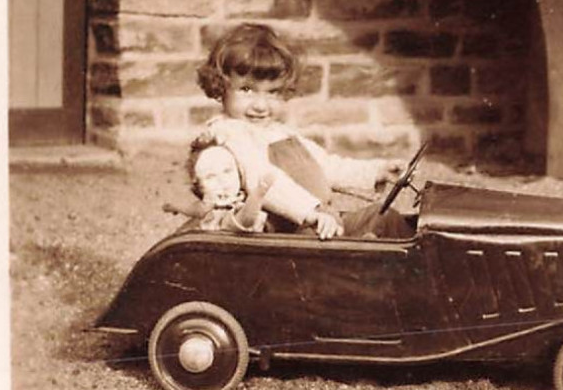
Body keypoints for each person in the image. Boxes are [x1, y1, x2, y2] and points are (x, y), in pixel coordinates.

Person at [196, 23, 412, 240]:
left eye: (273, 92)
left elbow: (326, 165)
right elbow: (263, 180)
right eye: (247, 89)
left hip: (318, 222)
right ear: (221, 87)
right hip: (284, 234)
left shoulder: (277, 132)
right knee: (363, 245)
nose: (261, 105)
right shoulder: (229, 135)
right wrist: (309, 212)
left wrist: (376, 171)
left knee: (385, 218)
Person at [163, 135, 273, 233]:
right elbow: (191, 209)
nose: (222, 180)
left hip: (245, 243)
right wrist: (174, 207)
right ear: (199, 186)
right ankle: (256, 197)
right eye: (211, 176)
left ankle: (255, 200)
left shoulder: (239, 201)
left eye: (227, 171)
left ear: (239, 173)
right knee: (239, 219)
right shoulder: (208, 207)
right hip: (226, 234)